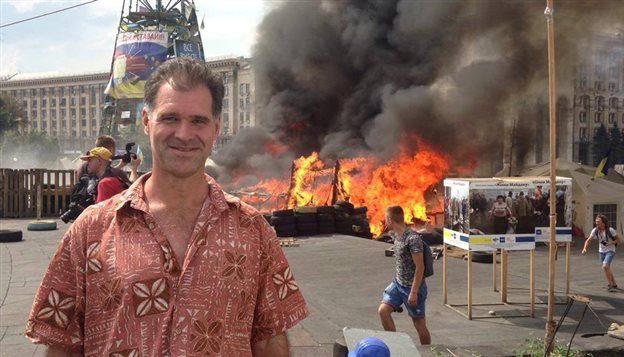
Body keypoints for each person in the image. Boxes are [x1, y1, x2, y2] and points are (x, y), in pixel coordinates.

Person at [25, 57, 309, 356]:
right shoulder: (90, 230)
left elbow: (268, 340)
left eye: (198, 121)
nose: (184, 134)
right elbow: (64, 345)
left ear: (216, 127)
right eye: (170, 118)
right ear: (147, 121)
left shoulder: (253, 230)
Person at [378, 205, 431, 345]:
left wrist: (413, 292)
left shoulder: (412, 239)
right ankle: (395, 345)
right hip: (398, 284)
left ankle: (428, 352)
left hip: (412, 288)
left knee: (419, 324)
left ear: (390, 219)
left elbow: (420, 268)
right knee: (383, 311)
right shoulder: (396, 235)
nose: (384, 221)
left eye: (385, 218)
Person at [75, 134, 140, 183]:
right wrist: (134, 168)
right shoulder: (117, 174)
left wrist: (120, 165)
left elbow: (105, 173)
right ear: (110, 150)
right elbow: (132, 189)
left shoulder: (83, 167)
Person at [581, 214, 621, 292]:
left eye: (598, 221)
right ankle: (614, 283)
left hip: (610, 250)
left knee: (605, 266)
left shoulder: (610, 230)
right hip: (601, 251)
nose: (596, 223)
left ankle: (610, 285)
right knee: (607, 268)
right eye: (596, 221)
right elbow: (588, 240)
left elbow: (618, 240)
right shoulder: (595, 230)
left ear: (603, 222)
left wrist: (610, 243)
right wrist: (584, 248)